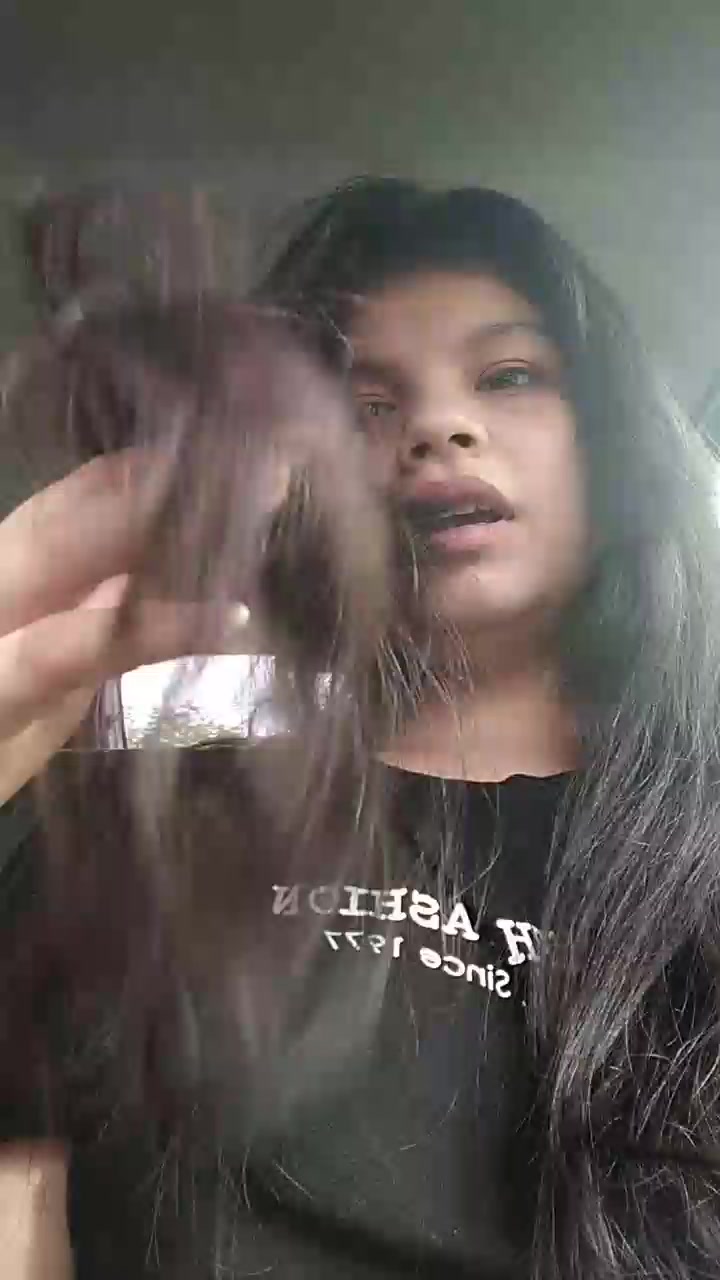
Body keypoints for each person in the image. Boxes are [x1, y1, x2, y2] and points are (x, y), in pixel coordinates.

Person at [1, 177, 719, 1279]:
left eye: (510, 375)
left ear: (613, 448)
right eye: (368, 405)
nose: (436, 428)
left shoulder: (694, 863)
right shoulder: (152, 793)